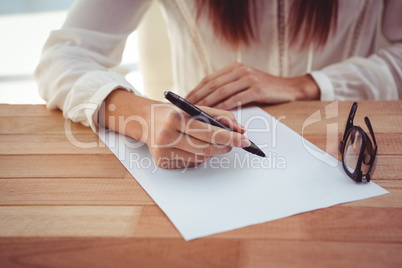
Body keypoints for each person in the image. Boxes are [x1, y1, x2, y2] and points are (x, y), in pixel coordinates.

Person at [35, 0, 402, 169]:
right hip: (198, 152)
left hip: (338, 146)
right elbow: (62, 56)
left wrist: (308, 84)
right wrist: (143, 114)